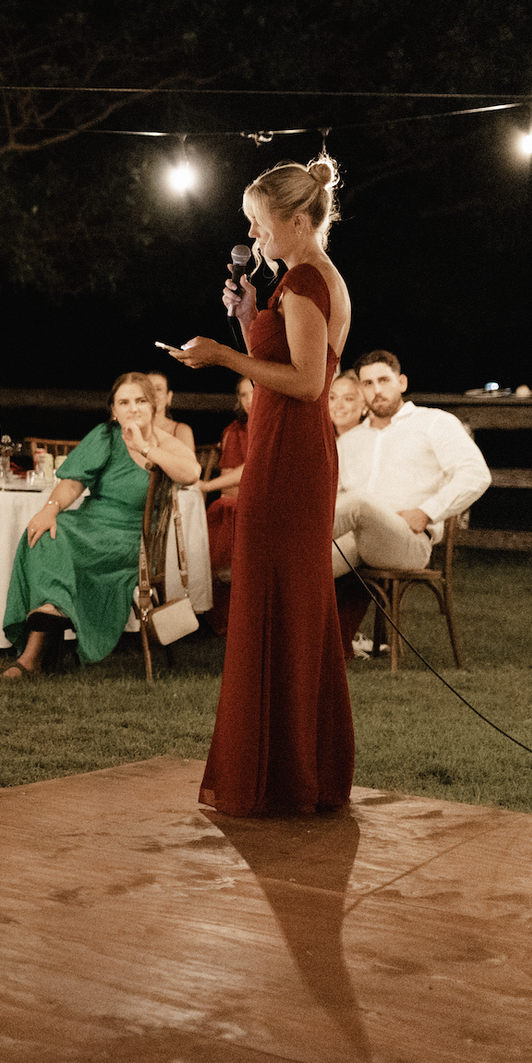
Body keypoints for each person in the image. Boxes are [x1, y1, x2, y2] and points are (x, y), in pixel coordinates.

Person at [169, 155, 356, 817]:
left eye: (258, 222)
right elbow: (292, 364)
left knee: (280, 597)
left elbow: (308, 385)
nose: (252, 235)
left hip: (290, 454)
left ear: (297, 219)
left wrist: (223, 356)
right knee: (285, 599)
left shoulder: (305, 279)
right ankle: (294, 764)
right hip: (294, 448)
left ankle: (282, 769)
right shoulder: (306, 279)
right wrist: (250, 317)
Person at [0, 373, 199, 677]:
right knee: (46, 532)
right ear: (114, 410)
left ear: (153, 406)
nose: (133, 408)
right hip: (92, 522)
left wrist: (143, 446)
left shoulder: (167, 443)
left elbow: (191, 473)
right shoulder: (105, 435)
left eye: (141, 401)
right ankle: (47, 623)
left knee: (60, 546)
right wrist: (51, 509)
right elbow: (74, 483)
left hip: (133, 539)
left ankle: (35, 650)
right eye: (124, 402)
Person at [330, 350, 491, 639]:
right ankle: (295, 647)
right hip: (356, 541)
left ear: (401, 382)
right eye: (367, 384)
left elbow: (476, 473)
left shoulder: (433, 423)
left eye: (383, 380)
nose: (377, 390)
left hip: (408, 541)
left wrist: (428, 511)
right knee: (300, 569)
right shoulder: (350, 441)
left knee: (358, 502)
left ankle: (282, 547)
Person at [200, 379, 251, 635]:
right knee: (227, 507)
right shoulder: (235, 431)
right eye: (244, 395)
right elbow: (228, 488)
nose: (250, 400)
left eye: (255, 393)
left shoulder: (279, 425)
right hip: (241, 503)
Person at [144, 372, 198, 450]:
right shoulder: (130, 430)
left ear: (169, 397)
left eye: (158, 389)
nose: (153, 394)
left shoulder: (181, 431)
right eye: (148, 389)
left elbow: (188, 461)